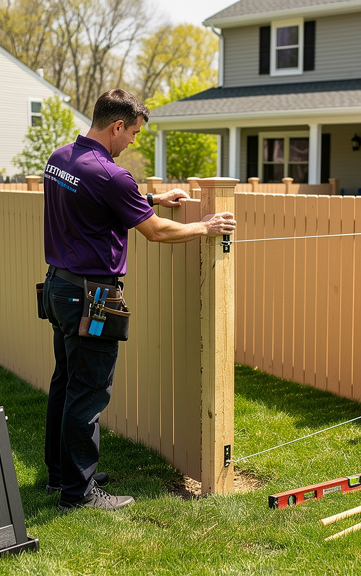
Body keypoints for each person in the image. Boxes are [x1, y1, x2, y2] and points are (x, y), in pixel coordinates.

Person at [42, 89, 237, 510]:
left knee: (65, 383)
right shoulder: (110, 175)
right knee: (88, 391)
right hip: (91, 298)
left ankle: (61, 475)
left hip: (59, 288)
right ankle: (79, 493)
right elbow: (157, 232)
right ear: (116, 126)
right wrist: (205, 228)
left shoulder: (60, 159)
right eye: (132, 132)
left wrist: (151, 199)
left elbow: (95, 204)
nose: (132, 140)